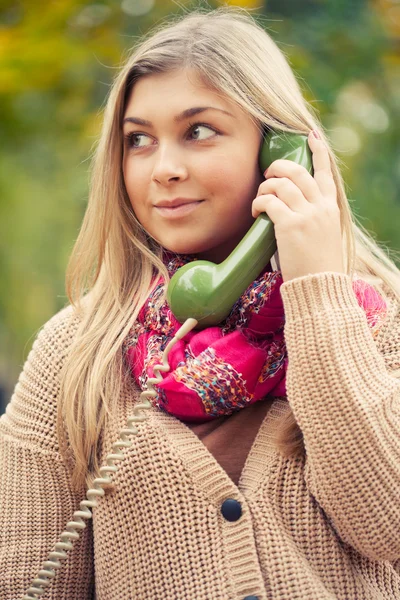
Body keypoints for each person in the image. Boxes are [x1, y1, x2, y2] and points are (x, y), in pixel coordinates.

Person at [1, 6, 399, 600]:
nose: (164, 169)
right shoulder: (75, 353)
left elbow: (387, 523)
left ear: (281, 153)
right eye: (139, 140)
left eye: (200, 131)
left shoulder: (378, 323)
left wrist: (317, 295)